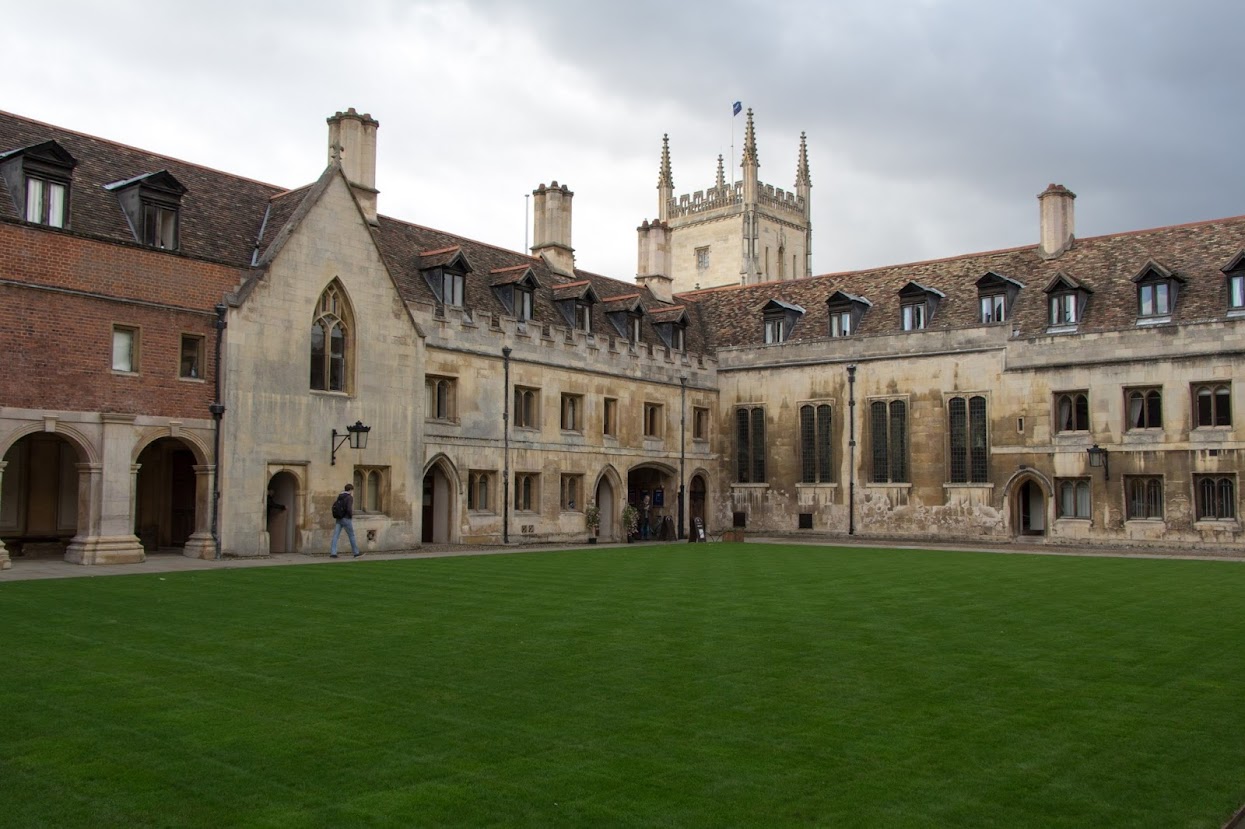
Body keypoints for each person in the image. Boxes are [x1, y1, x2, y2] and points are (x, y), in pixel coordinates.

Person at [330, 483, 362, 558]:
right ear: (350, 490)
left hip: (339, 518)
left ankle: (333, 553)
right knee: (351, 535)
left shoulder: (340, 496)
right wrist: (350, 516)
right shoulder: (349, 497)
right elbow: (348, 508)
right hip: (346, 518)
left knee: (336, 536)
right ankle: (356, 553)